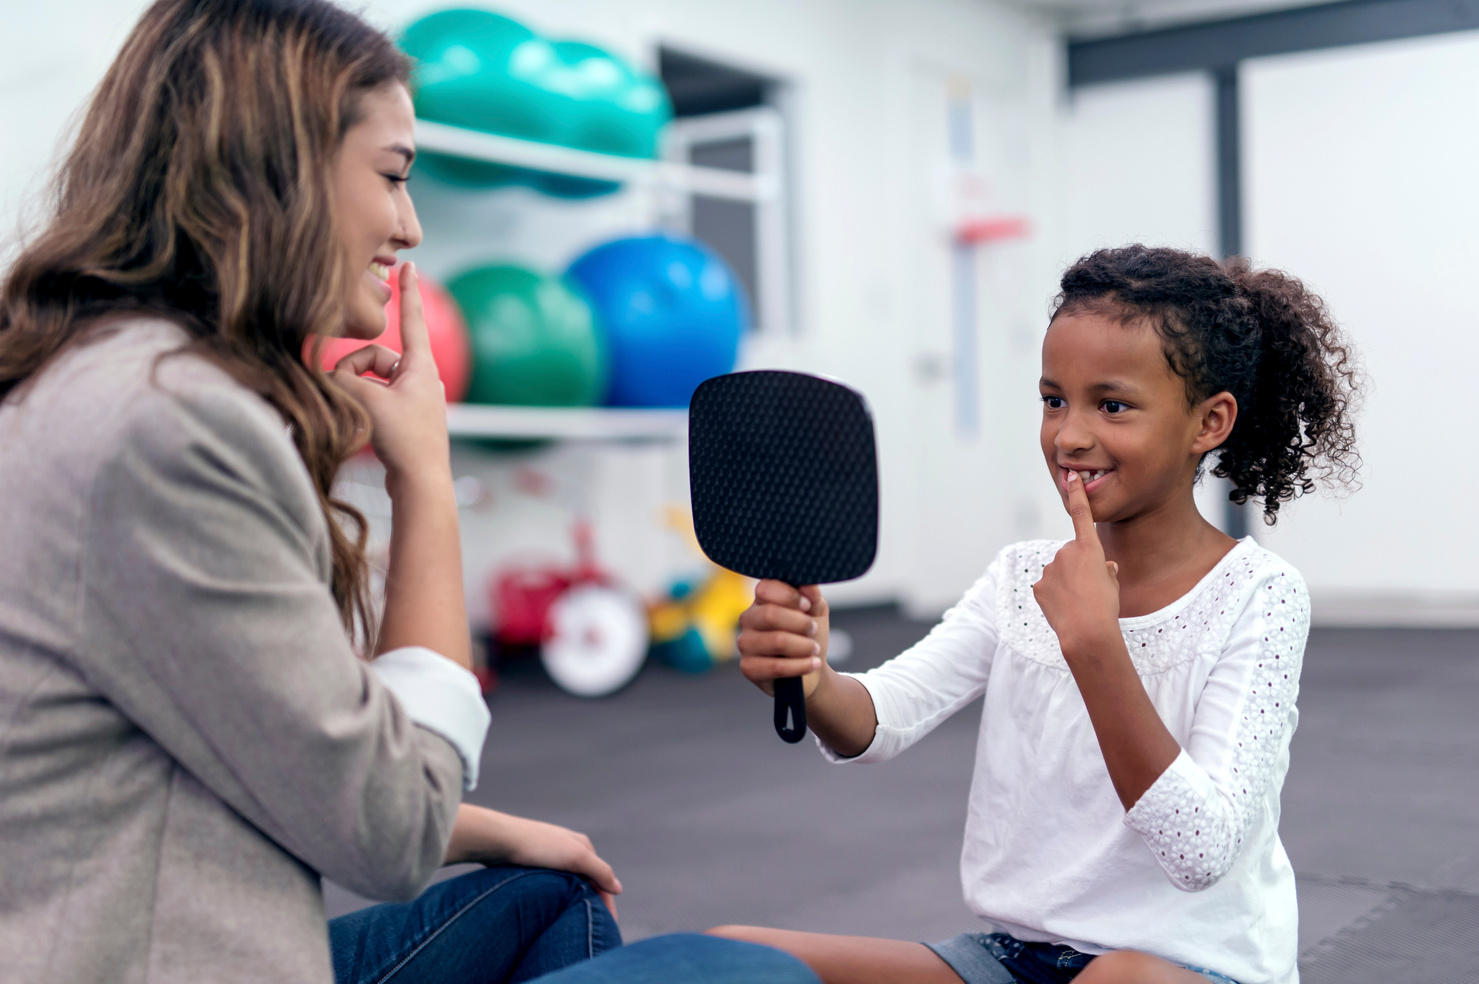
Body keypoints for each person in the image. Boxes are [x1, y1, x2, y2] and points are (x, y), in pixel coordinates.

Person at [0, 3, 818, 984]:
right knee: (743, 974)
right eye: (393, 175)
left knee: (544, 890)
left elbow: (283, 740)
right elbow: (387, 826)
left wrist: (490, 830)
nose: (411, 225)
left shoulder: (111, 378)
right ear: (281, 173)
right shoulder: (172, 425)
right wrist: (423, 474)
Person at [713, 245, 1362, 984]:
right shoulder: (1021, 575)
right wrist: (811, 675)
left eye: (1110, 405)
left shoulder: (1258, 594)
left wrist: (1095, 646)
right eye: (1054, 399)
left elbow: (1199, 850)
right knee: (728, 957)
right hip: (1012, 962)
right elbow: (883, 716)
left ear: (1208, 423)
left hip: (1184, 971)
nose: (1067, 435)